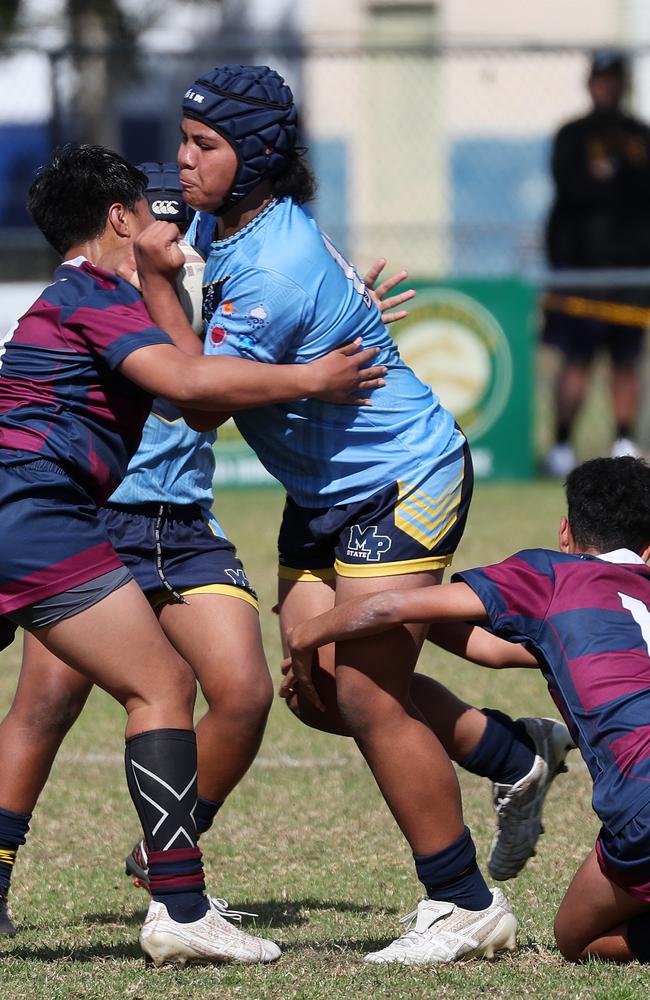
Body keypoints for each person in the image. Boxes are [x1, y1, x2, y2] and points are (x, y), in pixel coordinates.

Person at [146, 61, 573, 964]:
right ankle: (510, 752)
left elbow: (199, 401)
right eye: (183, 140)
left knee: (370, 692)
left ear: (255, 154)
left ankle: (462, 903)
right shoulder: (230, 220)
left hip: (401, 476)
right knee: (317, 692)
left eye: (204, 145)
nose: (182, 161)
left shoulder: (274, 266)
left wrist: (154, 288)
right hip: (326, 492)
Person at [0, 162, 410, 937]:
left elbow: (198, 391)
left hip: (96, 517)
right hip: (46, 512)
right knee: (140, 688)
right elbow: (191, 385)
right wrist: (311, 375)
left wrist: (331, 326)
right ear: (122, 219)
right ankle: (180, 907)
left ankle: (172, 893)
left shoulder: (133, 294)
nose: (179, 241)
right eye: (162, 224)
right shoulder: (96, 294)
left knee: (224, 688)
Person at [285, 456, 650, 965]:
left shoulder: (553, 575)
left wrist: (308, 633)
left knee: (575, 939)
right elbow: (503, 652)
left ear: (565, 533)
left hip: (642, 807)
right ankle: (517, 752)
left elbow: (393, 607)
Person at [543, 47, 650, 477]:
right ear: (590, 83)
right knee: (576, 360)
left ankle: (624, 440)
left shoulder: (640, 136)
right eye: (600, 78)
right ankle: (562, 445)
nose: (607, 85)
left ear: (625, 84)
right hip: (580, 272)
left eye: (614, 78)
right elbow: (573, 188)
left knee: (626, 361)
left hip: (629, 275)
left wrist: (618, 177)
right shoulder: (571, 135)